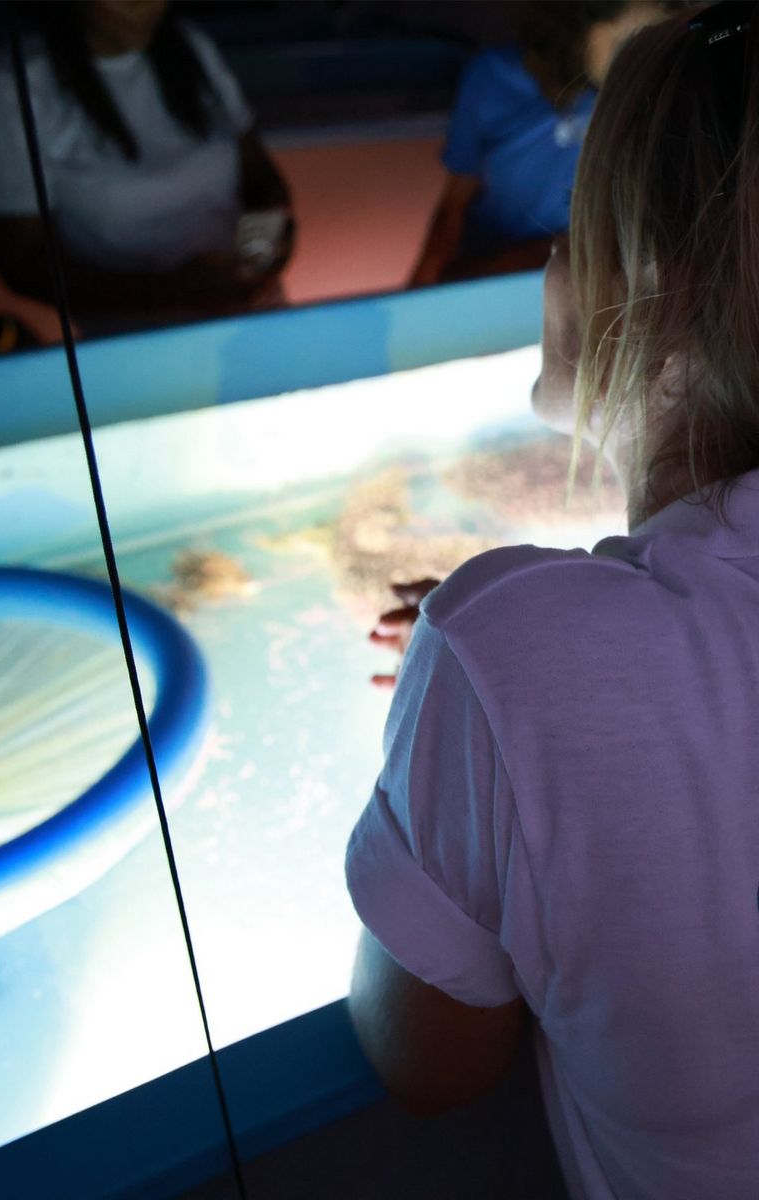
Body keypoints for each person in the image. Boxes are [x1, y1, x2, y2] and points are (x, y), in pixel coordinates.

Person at [346, 3, 759, 1198]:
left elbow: (424, 1060)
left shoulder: (506, 647)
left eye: (573, 221)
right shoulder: (535, 644)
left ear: (651, 286)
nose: (543, 260)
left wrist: (458, 711)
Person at [0, 1, 293, 331]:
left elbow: (261, 179)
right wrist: (178, 295)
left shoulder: (190, 48)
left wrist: (260, 256)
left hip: (251, 319)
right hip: (134, 341)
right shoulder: (16, 85)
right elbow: (23, 262)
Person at [409, 0, 664, 288]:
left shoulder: (642, 98)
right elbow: (454, 202)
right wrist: (419, 289)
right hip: (498, 269)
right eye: (625, 44)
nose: (639, 65)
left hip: (591, 275)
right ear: (577, 27)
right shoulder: (493, 76)